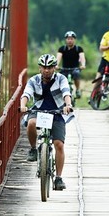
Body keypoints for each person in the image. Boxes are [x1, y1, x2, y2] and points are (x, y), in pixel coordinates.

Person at [19, 53, 73, 191]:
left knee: (59, 144)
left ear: (55, 67)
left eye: (49, 67)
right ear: (39, 68)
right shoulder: (33, 80)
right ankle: (33, 150)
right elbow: (26, 94)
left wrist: (68, 105)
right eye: (44, 67)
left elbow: (66, 92)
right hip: (38, 110)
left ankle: (59, 178)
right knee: (31, 123)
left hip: (57, 111)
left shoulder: (61, 79)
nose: (46, 70)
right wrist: (23, 105)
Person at [56, 31, 86, 98]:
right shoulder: (62, 49)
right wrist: (56, 65)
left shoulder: (79, 49)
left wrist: (83, 65)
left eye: (71, 39)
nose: (70, 41)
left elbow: (82, 58)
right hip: (64, 69)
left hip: (75, 69)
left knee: (76, 74)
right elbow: (58, 58)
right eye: (68, 39)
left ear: (74, 40)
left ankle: (77, 89)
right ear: (66, 40)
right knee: (59, 77)